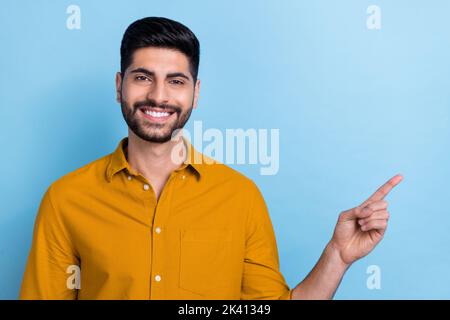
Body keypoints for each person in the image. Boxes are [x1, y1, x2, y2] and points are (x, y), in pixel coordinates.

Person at [20, 17, 403, 300]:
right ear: (120, 86)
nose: (158, 95)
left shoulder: (240, 197)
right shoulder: (66, 198)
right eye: (142, 77)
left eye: (176, 80)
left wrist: (337, 255)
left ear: (195, 93)